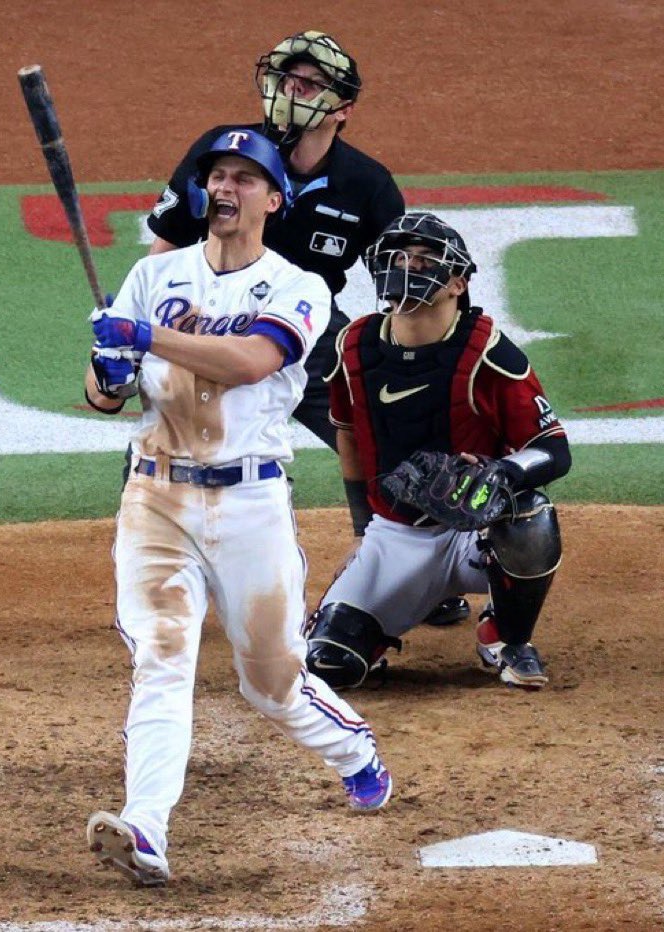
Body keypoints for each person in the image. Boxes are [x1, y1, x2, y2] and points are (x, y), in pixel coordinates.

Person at [83, 129, 391, 889]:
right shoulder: (154, 276)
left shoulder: (298, 286)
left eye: (244, 178)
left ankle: (356, 755)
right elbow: (98, 396)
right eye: (217, 175)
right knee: (162, 655)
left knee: (273, 682)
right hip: (156, 497)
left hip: (250, 503)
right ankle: (147, 829)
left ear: (273, 199)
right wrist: (110, 372)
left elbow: (253, 360)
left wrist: (146, 338)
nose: (226, 187)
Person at [147, 27, 469, 628]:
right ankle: (162, 578)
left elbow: (399, 283)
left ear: (341, 109)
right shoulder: (225, 154)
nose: (289, 91)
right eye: (284, 79)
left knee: (381, 428)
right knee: (165, 440)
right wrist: (144, 326)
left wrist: (405, 359)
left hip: (310, 326)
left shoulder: (366, 185)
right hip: (212, 316)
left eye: (308, 84)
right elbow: (163, 254)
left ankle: (402, 565)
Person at [304, 212, 572, 690]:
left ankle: (507, 636)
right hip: (396, 535)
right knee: (330, 665)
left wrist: (503, 473)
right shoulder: (355, 346)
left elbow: (552, 448)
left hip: (476, 533)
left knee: (530, 518)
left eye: (425, 261)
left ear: (457, 283)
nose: (407, 267)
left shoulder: (487, 351)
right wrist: (363, 528)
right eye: (399, 257)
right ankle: (392, 612)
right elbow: (346, 434)